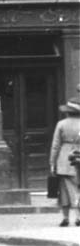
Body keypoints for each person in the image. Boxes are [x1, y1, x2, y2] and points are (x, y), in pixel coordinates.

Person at [50, 96, 80, 227]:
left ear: (67, 111)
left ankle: (66, 218)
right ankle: (78, 216)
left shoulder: (61, 124)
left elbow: (55, 145)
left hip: (64, 158)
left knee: (64, 189)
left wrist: (52, 162)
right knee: (76, 187)